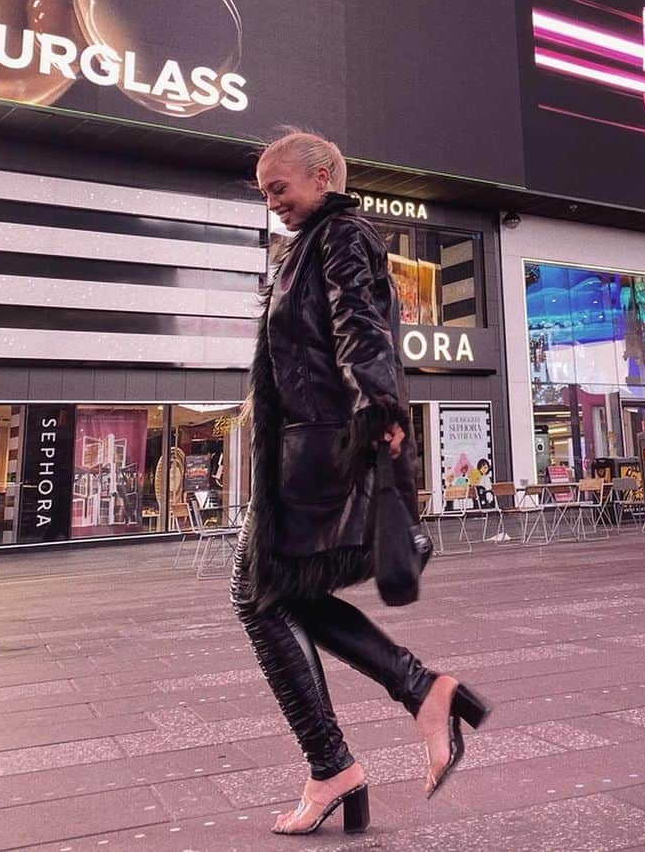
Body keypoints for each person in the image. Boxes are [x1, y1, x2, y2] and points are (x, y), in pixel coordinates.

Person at [232, 130, 489, 836]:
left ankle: (337, 762)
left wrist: (380, 412)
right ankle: (414, 699)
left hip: (320, 453)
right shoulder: (307, 244)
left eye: (278, 187)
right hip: (303, 451)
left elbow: (362, 328)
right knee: (279, 597)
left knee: (259, 596)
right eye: (264, 193)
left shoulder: (341, 233)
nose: (272, 202)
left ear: (320, 176)